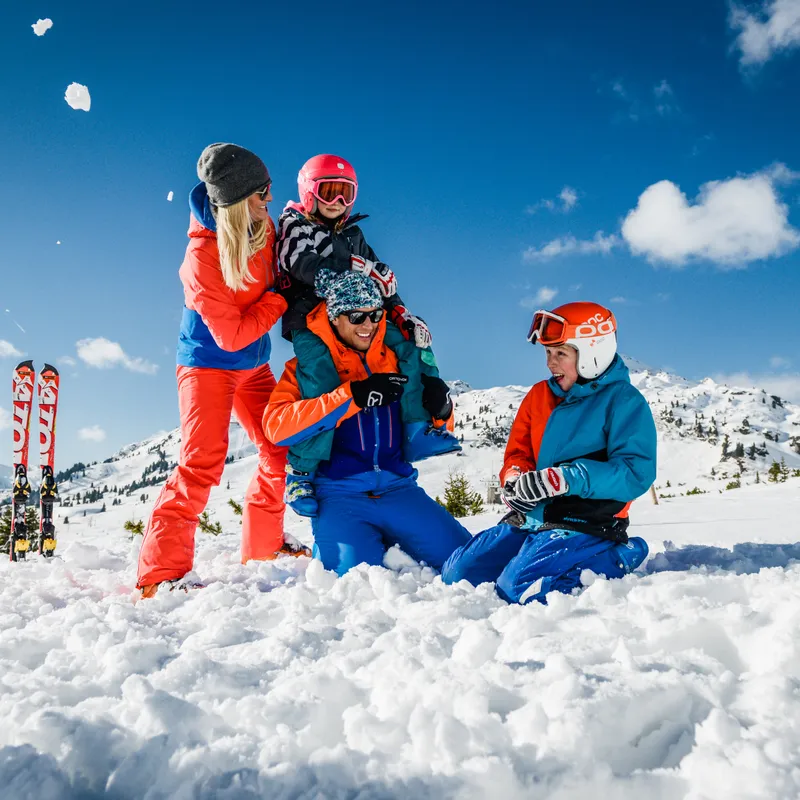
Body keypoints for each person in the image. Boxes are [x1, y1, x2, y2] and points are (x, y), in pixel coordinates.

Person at [137, 143, 308, 599]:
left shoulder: (263, 226)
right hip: (207, 365)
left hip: (252, 367)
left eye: (269, 190)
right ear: (233, 201)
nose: (269, 200)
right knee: (201, 464)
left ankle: (263, 546)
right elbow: (230, 337)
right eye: (260, 193)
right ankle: (161, 575)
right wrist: (279, 301)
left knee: (279, 448)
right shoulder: (202, 258)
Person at [274, 154, 460, 518]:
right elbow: (301, 265)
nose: (337, 203)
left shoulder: (352, 234)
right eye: (329, 192)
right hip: (311, 321)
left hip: (362, 315)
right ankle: (301, 471)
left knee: (411, 343)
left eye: (346, 194)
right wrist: (352, 269)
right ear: (309, 193)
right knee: (322, 381)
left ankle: (417, 428)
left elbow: (379, 278)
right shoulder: (295, 224)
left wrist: (401, 311)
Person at [442, 301, 656, 604]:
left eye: (560, 353)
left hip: (588, 522)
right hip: (532, 517)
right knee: (457, 575)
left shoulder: (624, 401)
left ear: (593, 353)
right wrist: (514, 478)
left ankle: (618, 556)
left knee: (519, 589)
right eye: (547, 353)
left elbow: (636, 473)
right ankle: (532, 554)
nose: (550, 363)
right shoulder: (538, 396)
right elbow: (518, 453)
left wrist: (567, 478)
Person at [263, 270, 471, 575]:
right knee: (354, 585)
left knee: (468, 563)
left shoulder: (398, 359)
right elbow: (276, 426)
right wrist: (351, 396)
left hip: (400, 489)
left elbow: (433, 430)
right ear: (334, 318)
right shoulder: (306, 370)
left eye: (375, 315)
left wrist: (442, 408)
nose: (369, 325)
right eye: (357, 317)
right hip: (339, 494)